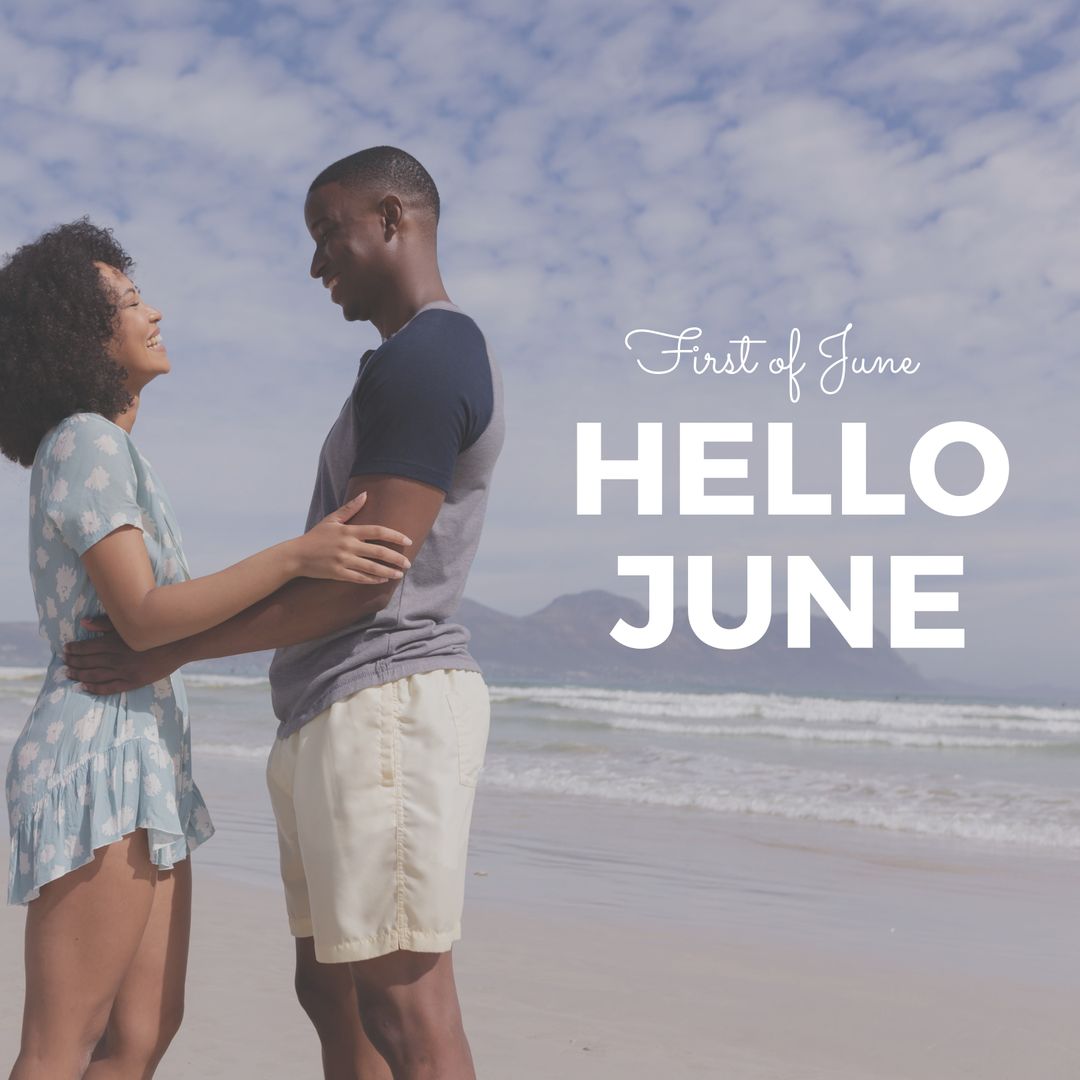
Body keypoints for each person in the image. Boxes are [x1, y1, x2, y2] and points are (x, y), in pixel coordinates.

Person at [65, 146, 505, 1080]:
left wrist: (170, 650)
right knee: (331, 990)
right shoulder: (398, 363)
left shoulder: (430, 356)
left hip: (384, 699)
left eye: (327, 233)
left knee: (405, 1008)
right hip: (334, 704)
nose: (315, 264)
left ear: (393, 218)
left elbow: (365, 579)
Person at [0, 218, 413, 1080]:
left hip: (144, 752)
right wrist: (296, 557)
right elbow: (145, 617)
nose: (154, 313)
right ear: (78, 334)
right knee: (61, 1044)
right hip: (100, 754)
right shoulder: (84, 440)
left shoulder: (111, 449)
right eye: (128, 302)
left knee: (141, 1033)